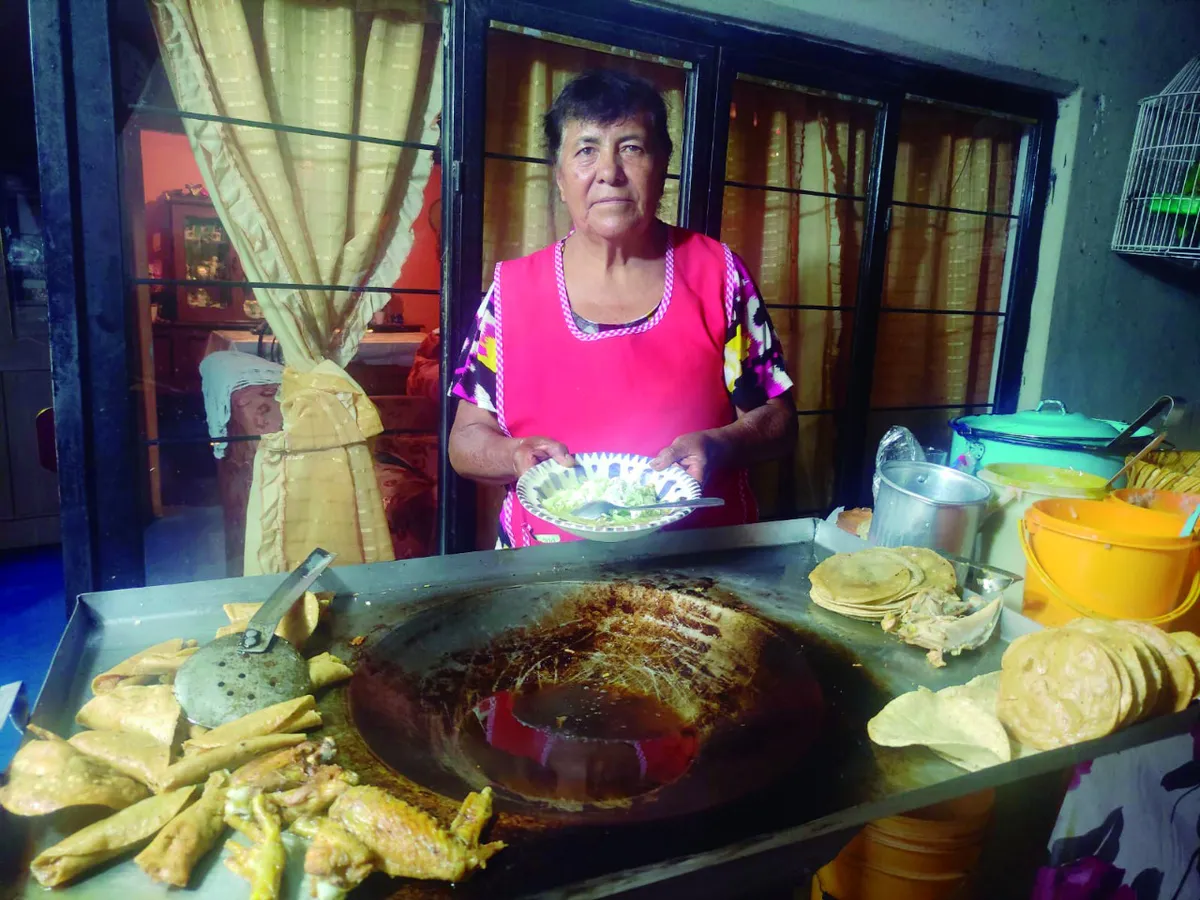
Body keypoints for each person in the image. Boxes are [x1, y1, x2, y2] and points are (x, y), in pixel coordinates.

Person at [448, 69, 796, 548]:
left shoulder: (720, 275)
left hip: (702, 563)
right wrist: (513, 456)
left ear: (662, 163)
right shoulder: (510, 294)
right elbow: (465, 442)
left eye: (631, 147)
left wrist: (721, 444)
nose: (608, 172)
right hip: (547, 569)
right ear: (559, 174)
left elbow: (778, 420)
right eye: (586, 150)